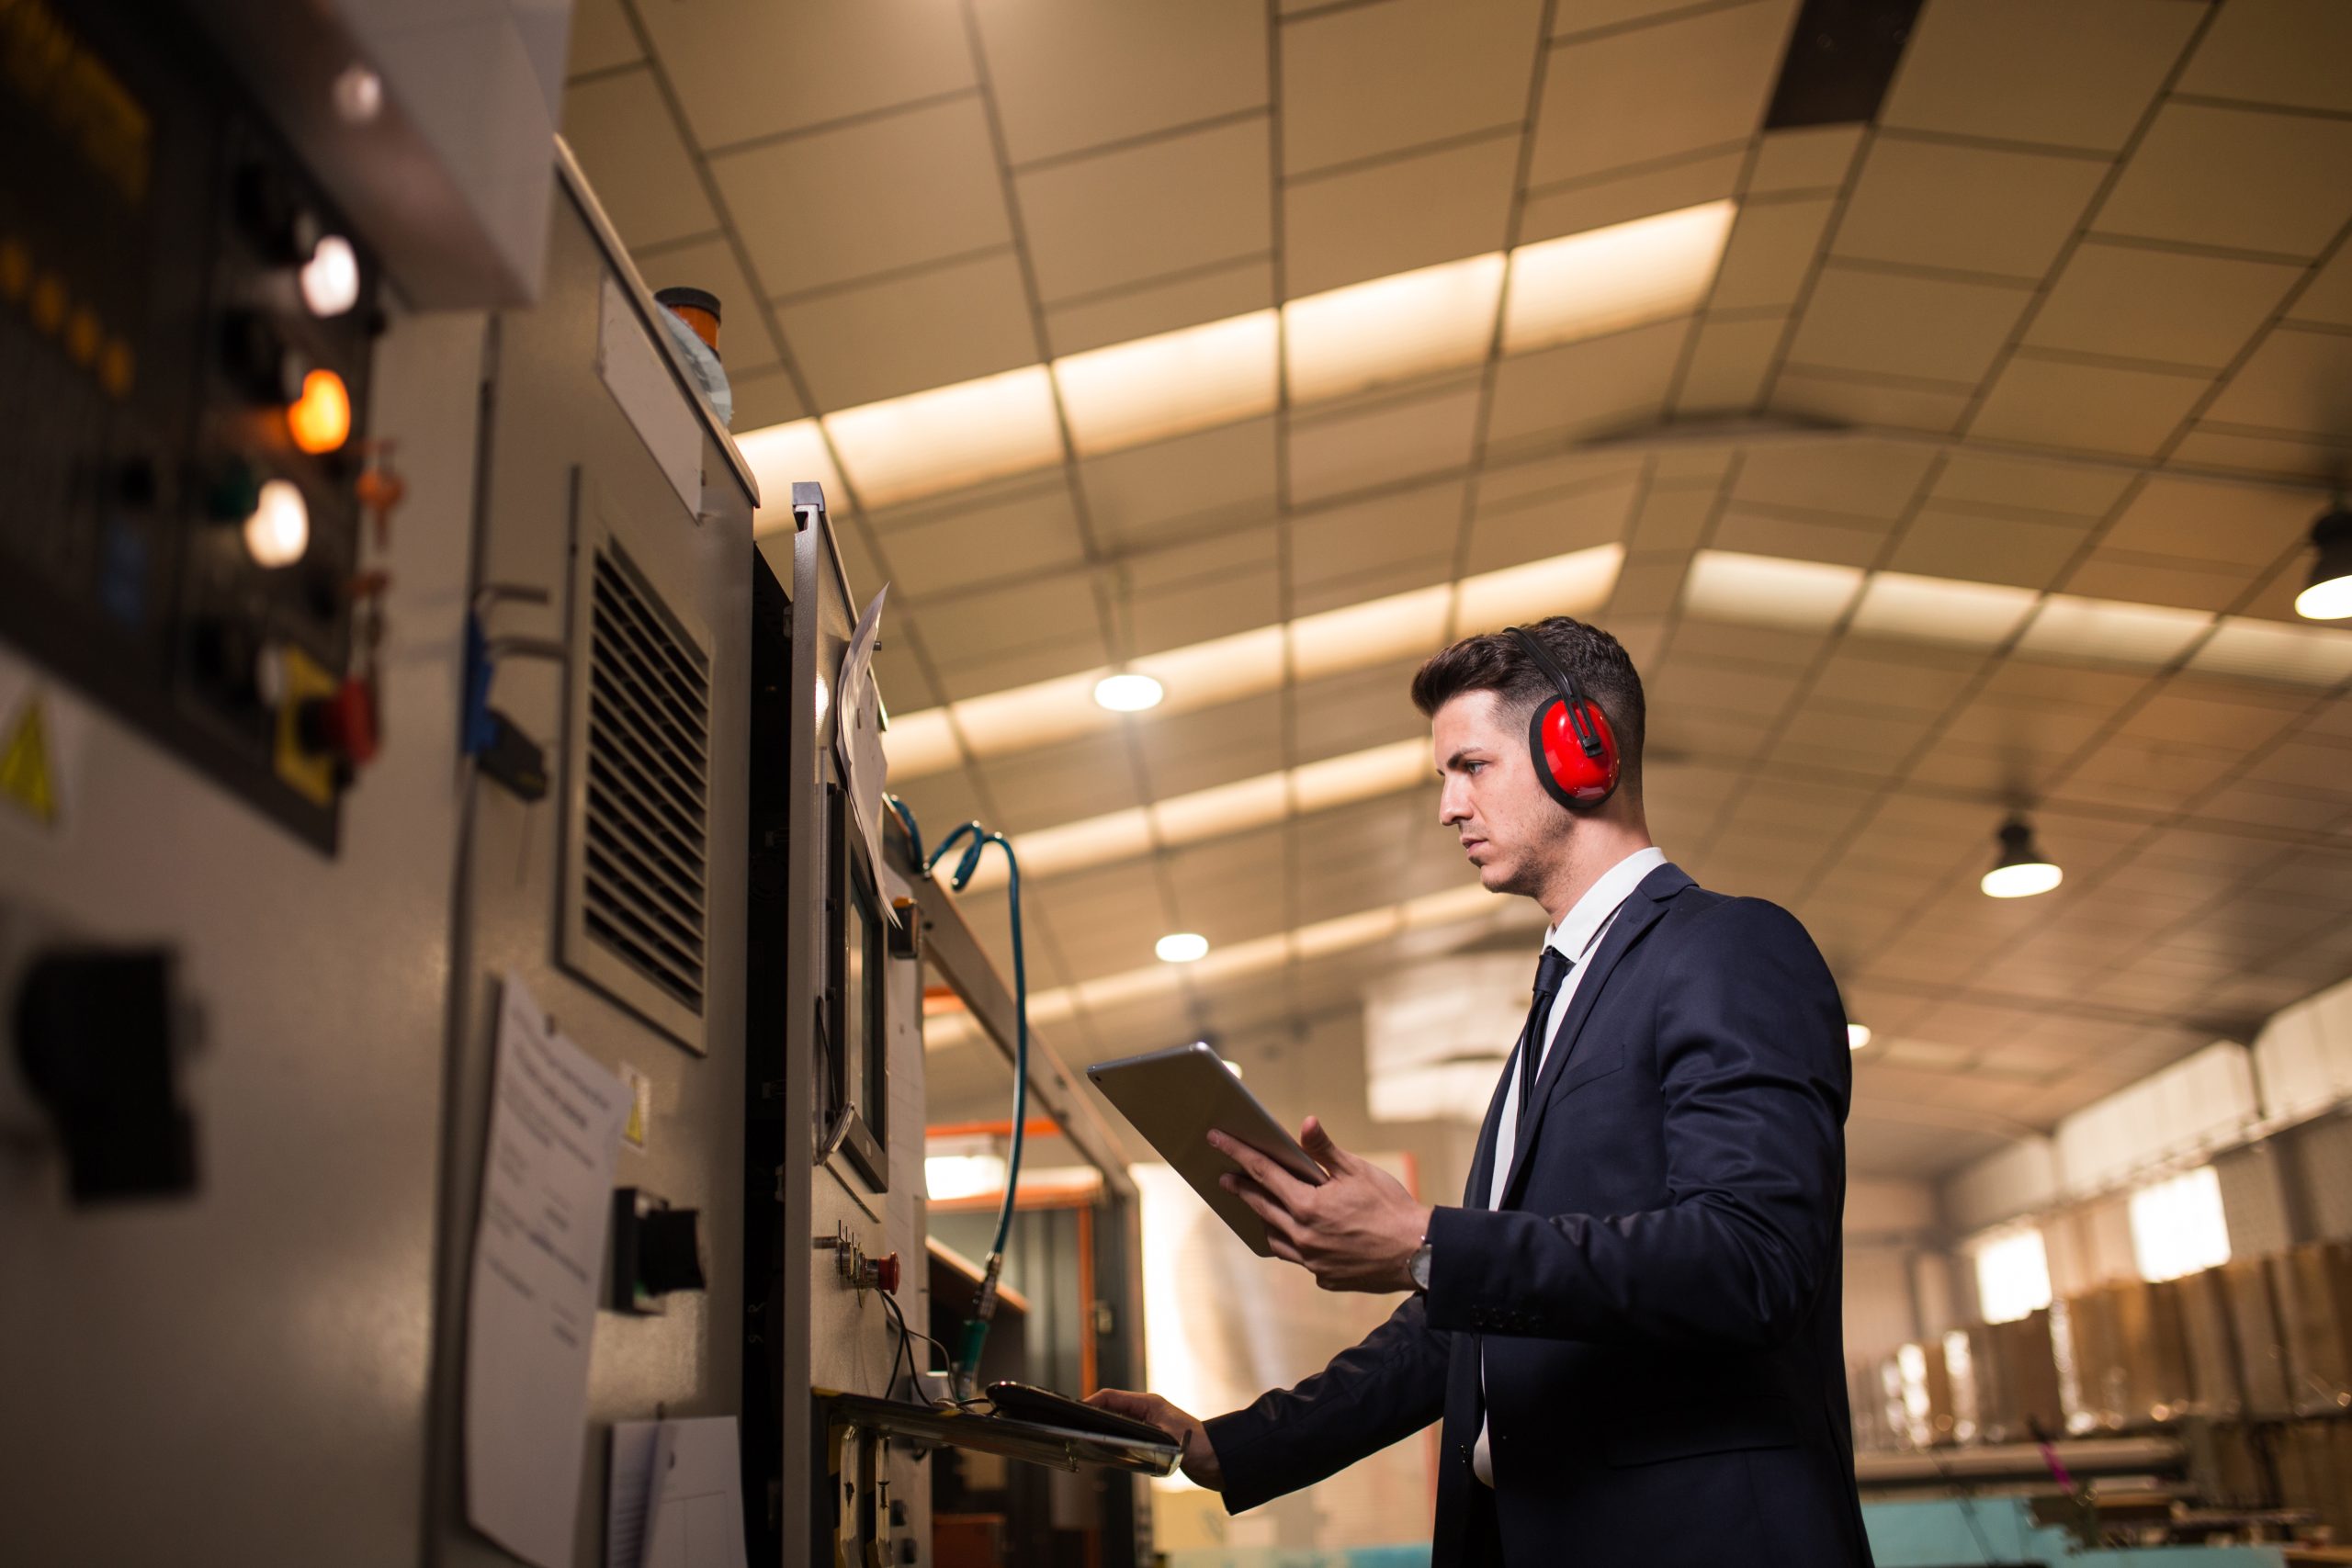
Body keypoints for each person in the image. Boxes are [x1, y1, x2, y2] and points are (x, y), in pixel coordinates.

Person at [1089, 616, 1873, 1567]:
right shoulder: (1558, 1008)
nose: (1447, 807)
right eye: (1443, 775)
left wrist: (1428, 1241)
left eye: (1471, 766)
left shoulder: (1729, 947)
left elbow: (1751, 1260)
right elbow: (1467, 1326)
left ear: (1583, 752)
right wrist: (1232, 1443)